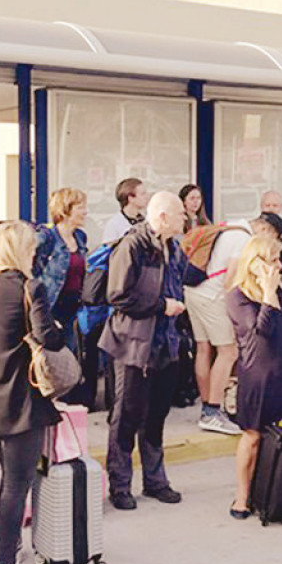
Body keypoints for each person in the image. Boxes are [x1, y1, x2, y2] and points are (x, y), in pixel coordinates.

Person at [0, 221, 63, 564]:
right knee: (16, 486)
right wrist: (55, 326)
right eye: (31, 248)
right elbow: (48, 338)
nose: (35, 253)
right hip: (21, 401)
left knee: (8, 482)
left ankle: (9, 553)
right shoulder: (29, 287)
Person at [100, 191, 187, 510]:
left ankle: (155, 481)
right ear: (163, 217)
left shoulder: (175, 248)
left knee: (156, 416)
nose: (186, 218)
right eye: (180, 214)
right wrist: (162, 306)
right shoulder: (132, 245)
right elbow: (118, 295)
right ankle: (120, 485)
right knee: (126, 416)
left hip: (166, 343)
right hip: (132, 344)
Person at [226, 235, 282, 519]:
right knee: (253, 436)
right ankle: (242, 497)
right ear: (255, 264)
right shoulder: (238, 297)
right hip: (259, 376)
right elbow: (261, 332)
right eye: (274, 260)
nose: (280, 266)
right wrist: (267, 294)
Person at [183, 218, 258, 434]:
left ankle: (208, 406)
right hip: (212, 296)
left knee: (203, 349)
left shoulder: (225, 229)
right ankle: (213, 411)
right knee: (228, 352)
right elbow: (229, 281)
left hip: (193, 291)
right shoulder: (243, 239)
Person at [34, 188, 89, 346]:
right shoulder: (46, 238)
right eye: (80, 208)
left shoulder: (80, 237)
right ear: (65, 210)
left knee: (71, 354)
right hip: (51, 307)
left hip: (74, 309)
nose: (85, 212)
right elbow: (32, 273)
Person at [102, 177, 150, 243]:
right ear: (131, 198)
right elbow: (108, 247)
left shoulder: (147, 221)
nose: (147, 197)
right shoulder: (114, 225)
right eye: (143, 194)